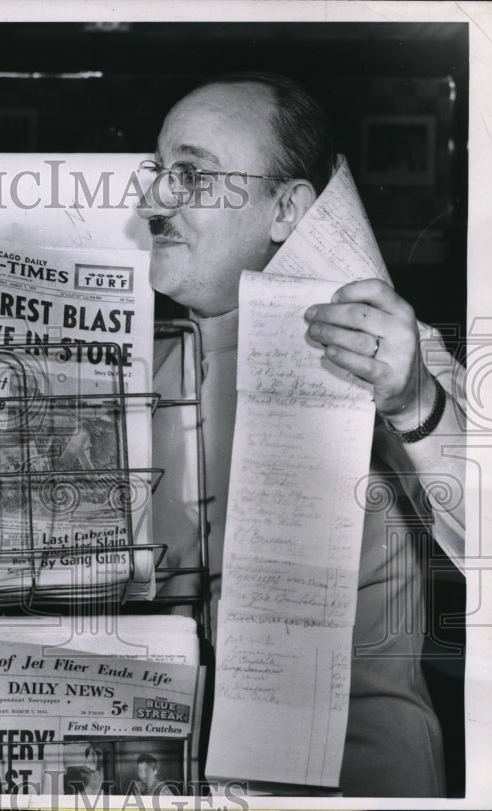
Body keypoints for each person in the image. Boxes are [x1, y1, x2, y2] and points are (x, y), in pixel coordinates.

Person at [138, 73, 465, 797]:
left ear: (287, 208)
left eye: (190, 175)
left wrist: (417, 403)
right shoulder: (137, 361)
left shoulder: (386, 346)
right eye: (157, 171)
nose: (155, 199)